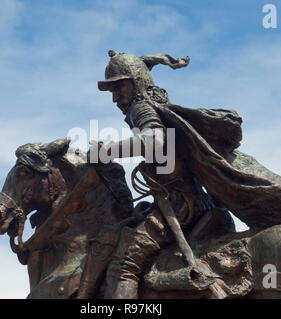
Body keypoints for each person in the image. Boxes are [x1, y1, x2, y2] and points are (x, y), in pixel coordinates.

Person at [78, 51, 236, 299]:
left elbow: (154, 140)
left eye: (120, 87)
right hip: (197, 203)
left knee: (123, 267)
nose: (115, 98)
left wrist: (106, 152)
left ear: (138, 84)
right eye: (111, 91)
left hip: (179, 208)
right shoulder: (160, 107)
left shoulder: (140, 108)